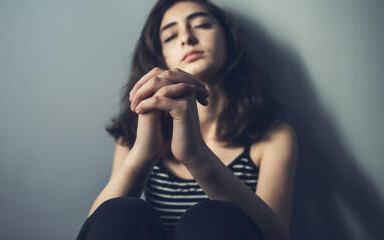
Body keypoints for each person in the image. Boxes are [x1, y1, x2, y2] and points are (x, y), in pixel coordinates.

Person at [77, 0, 297, 239]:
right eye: (170, 36)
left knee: (213, 217)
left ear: (228, 39)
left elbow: (277, 237)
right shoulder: (132, 136)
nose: (187, 38)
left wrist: (195, 155)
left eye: (202, 24)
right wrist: (143, 153)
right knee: (120, 211)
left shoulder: (272, 136)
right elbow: (98, 227)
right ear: (161, 56)